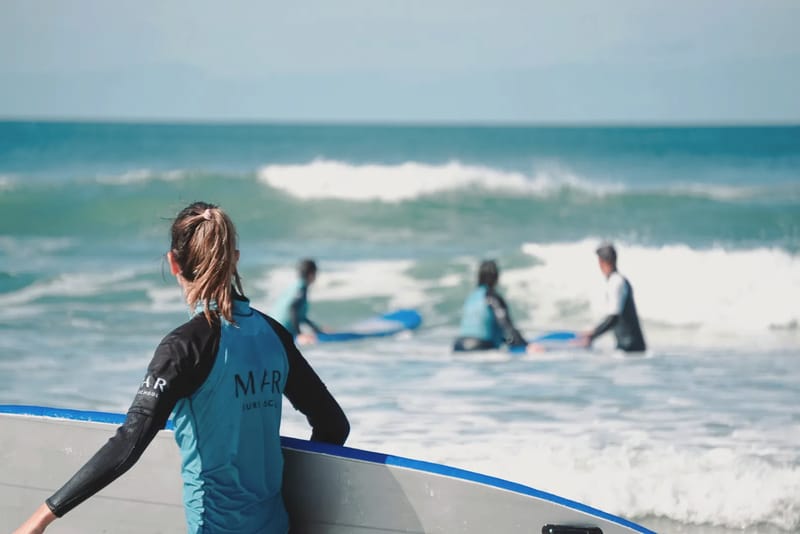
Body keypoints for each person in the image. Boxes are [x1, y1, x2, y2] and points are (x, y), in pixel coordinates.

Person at [13, 202, 350, 534]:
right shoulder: (273, 334)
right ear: (234, 259)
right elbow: (333, 426)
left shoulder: (184, 347)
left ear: (174, 263)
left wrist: (42, 517)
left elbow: (129, 443)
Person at [578, 243, 646, 352]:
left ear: (601, 262)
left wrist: (592, 335)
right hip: (629, 348)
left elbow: (614, 318)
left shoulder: (616, 282)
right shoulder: (617, 281)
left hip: (631, 350)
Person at [453, 259, 533, 353]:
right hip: (480, 345)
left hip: (458, 345)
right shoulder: (491, 296)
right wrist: (526, 345)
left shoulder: (472, 296)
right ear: (496, 277)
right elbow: (505, 323)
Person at [271, 258, 324, 345]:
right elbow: (292, 309)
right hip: (281, 333)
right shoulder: (301, 289)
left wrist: (318, 329)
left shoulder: (295, 286)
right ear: (311, 274)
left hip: (273, 329)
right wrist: (300, 334)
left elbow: (301, 317)